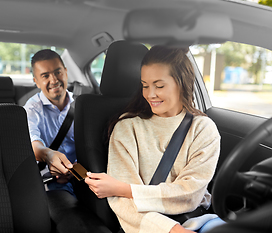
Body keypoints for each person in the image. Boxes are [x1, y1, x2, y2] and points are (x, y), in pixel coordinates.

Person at [85, 45, 224, 233]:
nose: (150, 94)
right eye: (144, 85)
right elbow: (123, 203)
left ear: (182, 83)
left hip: (198, 220)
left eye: (159, 86)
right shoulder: (127, 128)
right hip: (148, 227)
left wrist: (126, 189)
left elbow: (190, 193)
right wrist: (172, 230)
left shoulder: (203, 129)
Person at [24, 49, 75, 195]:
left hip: (82, 178)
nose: (54, 80)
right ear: (37, 82)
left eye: (58, 72)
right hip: (48, 181)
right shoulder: (31, 110)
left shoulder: (82, 105)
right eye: (45, 76)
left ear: (65, 72)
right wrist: (49, 156)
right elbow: (33, 143)